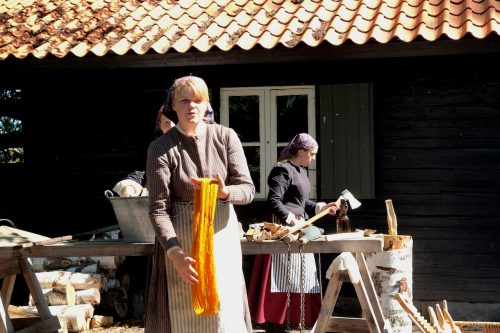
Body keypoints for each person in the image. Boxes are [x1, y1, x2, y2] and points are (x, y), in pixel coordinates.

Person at [144, 75, 255, 333]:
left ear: (206, 105)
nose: (191, 106)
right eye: (184, 100)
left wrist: (225, 193)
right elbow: (159, 209)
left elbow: (248, 190)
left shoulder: (226, 137)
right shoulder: (160, 147)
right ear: (173, 105)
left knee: (223, 313)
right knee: (184, 314)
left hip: (221, 240)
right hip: (181, 244)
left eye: (198, 100)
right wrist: (175, 254)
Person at [248, 133, 338, 332]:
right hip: (282, 229)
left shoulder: (302, 171)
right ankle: (276, 323)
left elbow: (303, 203)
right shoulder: (282, 170)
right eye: (312, 154)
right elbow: (274, 200)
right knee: (283, 277)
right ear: (300, 151)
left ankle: (296, 320)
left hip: (300, 228)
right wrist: (291, 220)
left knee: (301, 275)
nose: (313, 158)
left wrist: (322, 208)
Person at [112, 95, 215, 197]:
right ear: (159, 125)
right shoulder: (156, 147)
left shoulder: (202, 144)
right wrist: (130, 184)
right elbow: (142, 172)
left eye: (175, 122)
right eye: (166, 122)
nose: (171, 127)